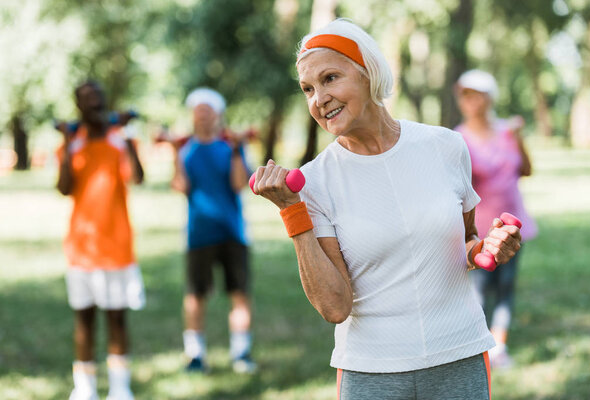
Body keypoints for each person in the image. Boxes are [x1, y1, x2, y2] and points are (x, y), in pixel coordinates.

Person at [251, 19, 522, 399]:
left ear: (368, 73)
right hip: (373, 371)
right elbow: (334, 306)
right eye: (308, 89)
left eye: (330, 78)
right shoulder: (314, 181)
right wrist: (292, 212)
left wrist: (488, 249)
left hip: (459, 356)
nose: (318, 98)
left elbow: (466, 243)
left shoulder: (445, 147)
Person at [56, 80, 145, 400]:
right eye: (86, 99)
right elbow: (64, 187)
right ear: (78, 106)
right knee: (84, 318)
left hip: (116, 245)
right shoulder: (73, 142)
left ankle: (120, 389)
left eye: (98, 97)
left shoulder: (118, 139)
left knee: (117, 318)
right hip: (81, 248)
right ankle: (85, 389)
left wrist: (128, 136)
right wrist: (67, 144)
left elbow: (137, 177)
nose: (94, 103)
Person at [454, 69, 537, 369]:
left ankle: (498, 346)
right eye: (464, 94)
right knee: (478, 290)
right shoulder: (457, 139)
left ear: (490, 97)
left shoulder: (507, 131)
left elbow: (525, 170)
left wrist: (519, 138)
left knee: (506, 286)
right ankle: (478, 347)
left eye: (476, 93)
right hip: (479, 230)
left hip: (514, 225)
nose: (470, 100)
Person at [171, 88, 256, 374]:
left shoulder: (231, 148)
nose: (203, 117)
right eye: (198, 112)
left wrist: (235, 149)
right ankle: (195, 355)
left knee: (239, 294)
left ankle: (241, 353)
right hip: (199, 233)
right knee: (196, 295)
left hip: (233, 232)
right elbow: (181, 187)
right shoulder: (186, 150)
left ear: (217, 115)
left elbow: (239, 184)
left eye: (207, 111)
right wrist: (174, 154)